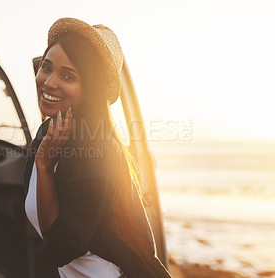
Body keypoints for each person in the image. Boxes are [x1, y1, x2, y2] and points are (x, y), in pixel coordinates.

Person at [23, 17, 171, 278]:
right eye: (46, 68)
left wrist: (44, 166)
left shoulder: (96, 152)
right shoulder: (47, 133)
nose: (48, 82)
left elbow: (59, 249)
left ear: (89, 89)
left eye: (68, 76)